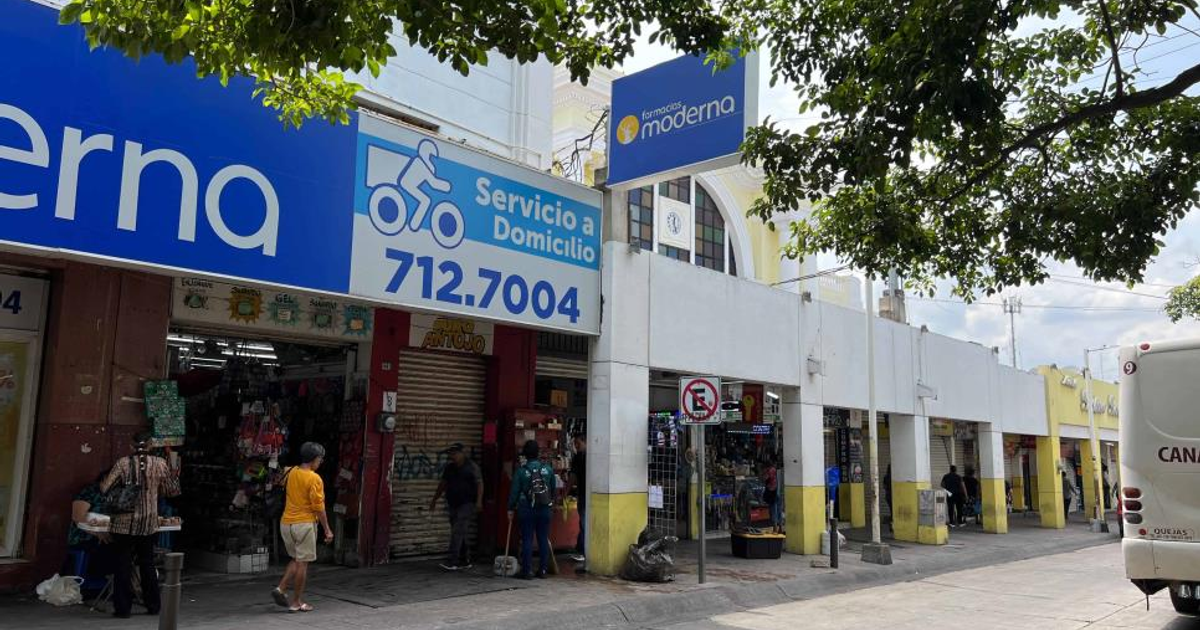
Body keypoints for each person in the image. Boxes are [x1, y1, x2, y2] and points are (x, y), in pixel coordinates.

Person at [99, 431, 180, 619]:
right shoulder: (160, 464)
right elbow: (171, 490)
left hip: (123, 524)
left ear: (131, 446)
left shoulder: (122, 463)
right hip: (149, 522)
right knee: (147, 563)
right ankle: (153, 605)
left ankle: (123, 609)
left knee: (122, 564)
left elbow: (104, 488)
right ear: (151, 445)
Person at [272, 442, 333, 613]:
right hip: (304, 524)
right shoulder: (314, 478)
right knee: (303, 563)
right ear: (314, 459)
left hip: (286, 523)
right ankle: (296, 602)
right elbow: (319, 508)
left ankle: (280, 589)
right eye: (320, 459)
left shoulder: (289, 471)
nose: (320, 462)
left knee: (296, 559)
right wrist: (327, 529)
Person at [429, 442, 482, 570]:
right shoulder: (450, 468)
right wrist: (434, 499)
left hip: (467, 503)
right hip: (453, 503)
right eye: (450, 454)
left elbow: (480, 484)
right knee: (459, 532)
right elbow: (443, 484)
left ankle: (452, 561)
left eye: (454, 454)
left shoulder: (471, 467)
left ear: (462, 453)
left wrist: (479, 502)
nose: (452, 456)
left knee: (457, 531)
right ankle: (464, 560)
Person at [508, 440, 556, 580]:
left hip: (526, 509)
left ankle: (527, 571)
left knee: (527, 539)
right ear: (538, 453)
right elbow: (553, 489)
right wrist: (549, 503)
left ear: (525, 455)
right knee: (542, 538)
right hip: (545, 509)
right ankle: (543, 570)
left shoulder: (521, 471)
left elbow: (514, 492)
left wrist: (510, 508)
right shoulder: (547, 469)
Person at [568, 434, 587, 562]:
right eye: (575, 444)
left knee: (584, 523)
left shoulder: (579, 457)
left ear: (585, 442)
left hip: (584, 495)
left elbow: (573, 477)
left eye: (578, 443)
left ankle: (582, 551)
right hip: (588, 494)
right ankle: (581, 549)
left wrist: (566, 490)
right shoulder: (593, 456)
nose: (576, 446)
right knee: (584, 523)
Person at [762, 457, 780, 534]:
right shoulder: (774, 469)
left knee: (773, 511)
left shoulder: (770, 470)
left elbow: (765, 478)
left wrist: (763, 474)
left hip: (772, 492)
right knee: (776, 510)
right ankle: (778, 528)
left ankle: (775, 529)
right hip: (775, 492)